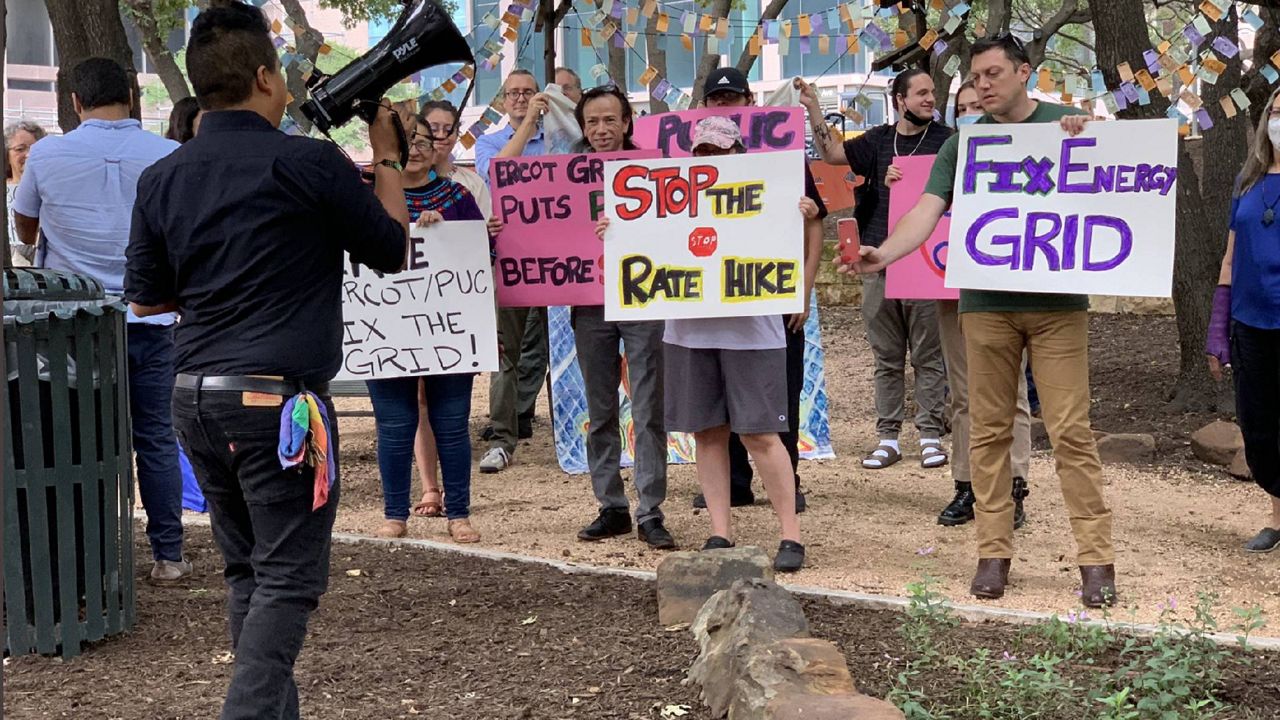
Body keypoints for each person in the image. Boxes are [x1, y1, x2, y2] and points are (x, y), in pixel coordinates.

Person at [124, 4, 408, 717]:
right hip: (280, 406)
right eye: (280, 70)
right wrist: (392, 158)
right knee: (289, 578)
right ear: (262, 76)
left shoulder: (164, 176)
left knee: (249, 570)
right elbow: (393, 249)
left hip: (193, 395)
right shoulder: (308, 162)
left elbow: (146, 301)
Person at [840, 34, 1116, 607]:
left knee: (1070, 432)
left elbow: (1118, 180)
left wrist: (1090, 139)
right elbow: (926, 210)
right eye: (977, 77)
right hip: (984, 304)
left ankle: (1096, 561)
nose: (983, 85)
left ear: (1024, 72)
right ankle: (993, 554)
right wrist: (883, 254)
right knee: (987, 431)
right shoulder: (963, 145)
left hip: (1057, 308)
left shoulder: (1068, 121)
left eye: (994, 74)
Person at [598, 117, 816, 572]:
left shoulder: (769, 195)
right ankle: (721, 530)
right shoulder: (672, 197)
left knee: (761, 434)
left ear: (738, 152)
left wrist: (803, 215)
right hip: (689, 330)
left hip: (753, 332)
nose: (711, 160)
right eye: (703, 152)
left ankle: (790, 535)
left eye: (721, 151)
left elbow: (799, 236)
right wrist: (616, 231)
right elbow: (642, 238)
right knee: (708, 432)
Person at [12, 58, 191, 583]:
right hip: (149, 317)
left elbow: (26, 225)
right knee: (155, 436)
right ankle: (169, 555)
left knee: (77, 438)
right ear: (133, 96)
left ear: (74, 101)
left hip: (73, 322)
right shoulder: (169, 154)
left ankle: (87, 555)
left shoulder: (46, 154)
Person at [691, 68, 827, 514]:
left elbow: (815, 226)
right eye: (717, 99)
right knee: (722, 396)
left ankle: (786, 481)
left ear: (750, 102)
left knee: (781, 394)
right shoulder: (685, 179)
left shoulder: (782, 168)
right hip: (714, 306)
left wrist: (803, 292)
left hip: (774, 300)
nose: (725, 104)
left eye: (733, 97)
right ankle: (733, 482)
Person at [801, 68, 949, 472]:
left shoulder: (948, 140)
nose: (929, 99)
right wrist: (815, 107)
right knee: (886, 356)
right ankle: (888, 437)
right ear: (900, 99)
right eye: (920, 93)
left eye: (931, 93)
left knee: (928, 355)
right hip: (876, 260)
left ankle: (931, 435)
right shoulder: (879, 140)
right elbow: (833, 156)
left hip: (926, 266)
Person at [370, 102, 489, 543]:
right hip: (385, 330)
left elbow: (483, 256)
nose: (416, 148)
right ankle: (394, 513)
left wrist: (446, 236)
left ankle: (458, 511)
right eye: (407, 140)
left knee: (452, 423)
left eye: (423, 139)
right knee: (395, 424)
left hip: (448, 330)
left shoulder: (458, 198)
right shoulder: (371, 194)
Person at [565, 85, 674, 550]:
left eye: (610, 120)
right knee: (600, 408)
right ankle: (611, 506)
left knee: (649, 407)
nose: (602, 130)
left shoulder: (653, 169)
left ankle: (650, 509)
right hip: (590, 304)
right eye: (593, 122)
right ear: (582, 127)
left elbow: (675, 226)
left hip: (643, 298)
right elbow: (544, 226)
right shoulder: (562, 175)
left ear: (627, 122)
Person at [926, 80, 1033, 528]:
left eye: (977, 107)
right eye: (962, 108)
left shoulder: (1026, 153)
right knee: (965, 393)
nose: (970, 114)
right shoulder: (946, 160)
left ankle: (1014, 486)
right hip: (956, 295)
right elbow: (923, 211)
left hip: (1012, 289)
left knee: (1014, 395)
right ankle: (967, 486)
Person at [1207, 87, 1280, 554]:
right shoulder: (1247, 183)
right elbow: (1230, 260)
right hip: (1251, 323)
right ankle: (1277, 516)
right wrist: (1217, 330)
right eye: (1276, 111)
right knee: (1260, 423)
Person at [474, 68, 550, 472]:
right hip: (513, 265)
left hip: (561, 265)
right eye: (514, 94)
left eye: (529, 92)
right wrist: (529, 127)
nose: (521, 99)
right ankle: (503, 438)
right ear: (504, 102)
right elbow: (498, 173)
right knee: (507, 353)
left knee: (570, 353)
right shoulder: (488, 142)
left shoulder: (558, 140)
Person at [6, 120, 47, 266]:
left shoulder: (50, 190)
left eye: (34, 148)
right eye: (20, 149)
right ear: (6, 154)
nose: (28, 155)